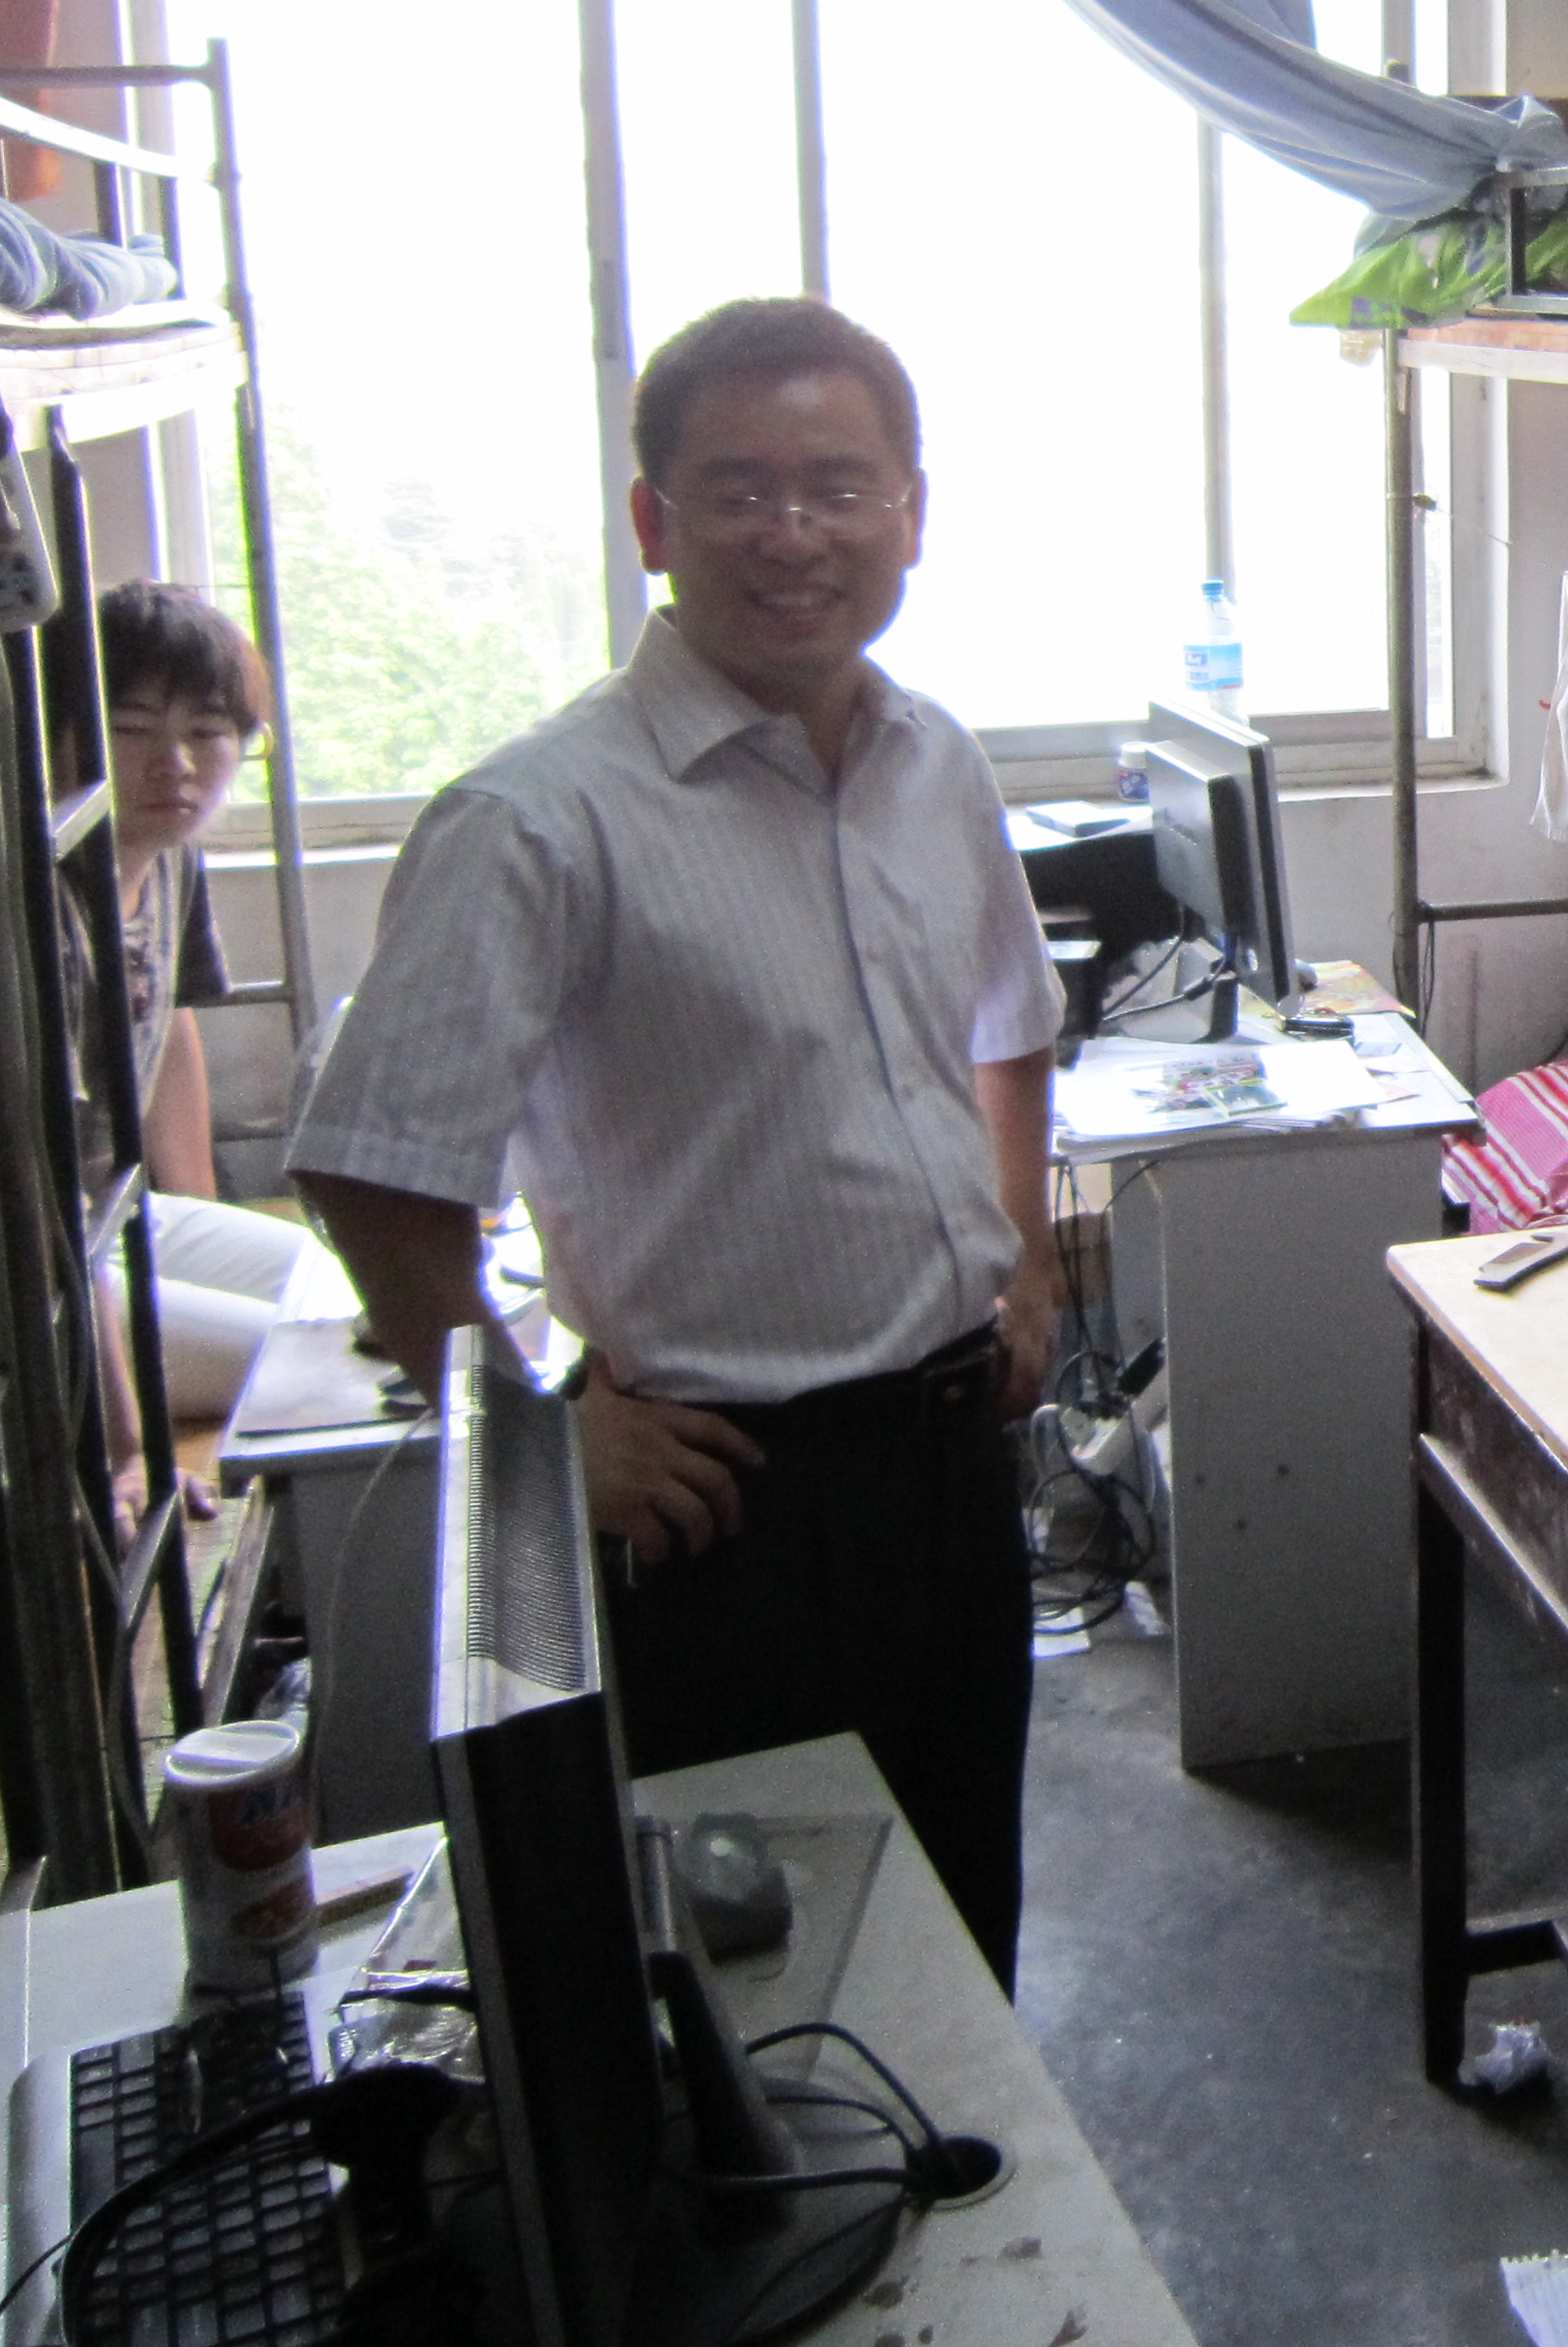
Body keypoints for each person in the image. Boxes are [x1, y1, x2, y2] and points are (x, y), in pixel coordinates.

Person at [289, 298, 1065, 1981]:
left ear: (911, 513)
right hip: (728, 1513)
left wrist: (1028, 1260)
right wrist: (534, 1441)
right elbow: (370, 1167)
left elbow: (1012, 1022)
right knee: (766, 1976)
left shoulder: (935, 763)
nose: (795, 535)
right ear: (653, 521)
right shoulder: (538, 818)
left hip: (953, 1475)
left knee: (960, 1937)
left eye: (840, 488)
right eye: (740, 491)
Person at [87, 583, 354, 1429]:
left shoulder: (168, 854)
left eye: (206, 732)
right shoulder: (37, 897)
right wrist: (127, 1445)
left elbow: (167, 1033)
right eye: (131, 728)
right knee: (318, 1365)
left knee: (340, 1292)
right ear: (60, 736)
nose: (175, 764)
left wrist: (196, 1231)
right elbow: (34, 1194)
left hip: (110, 1224)